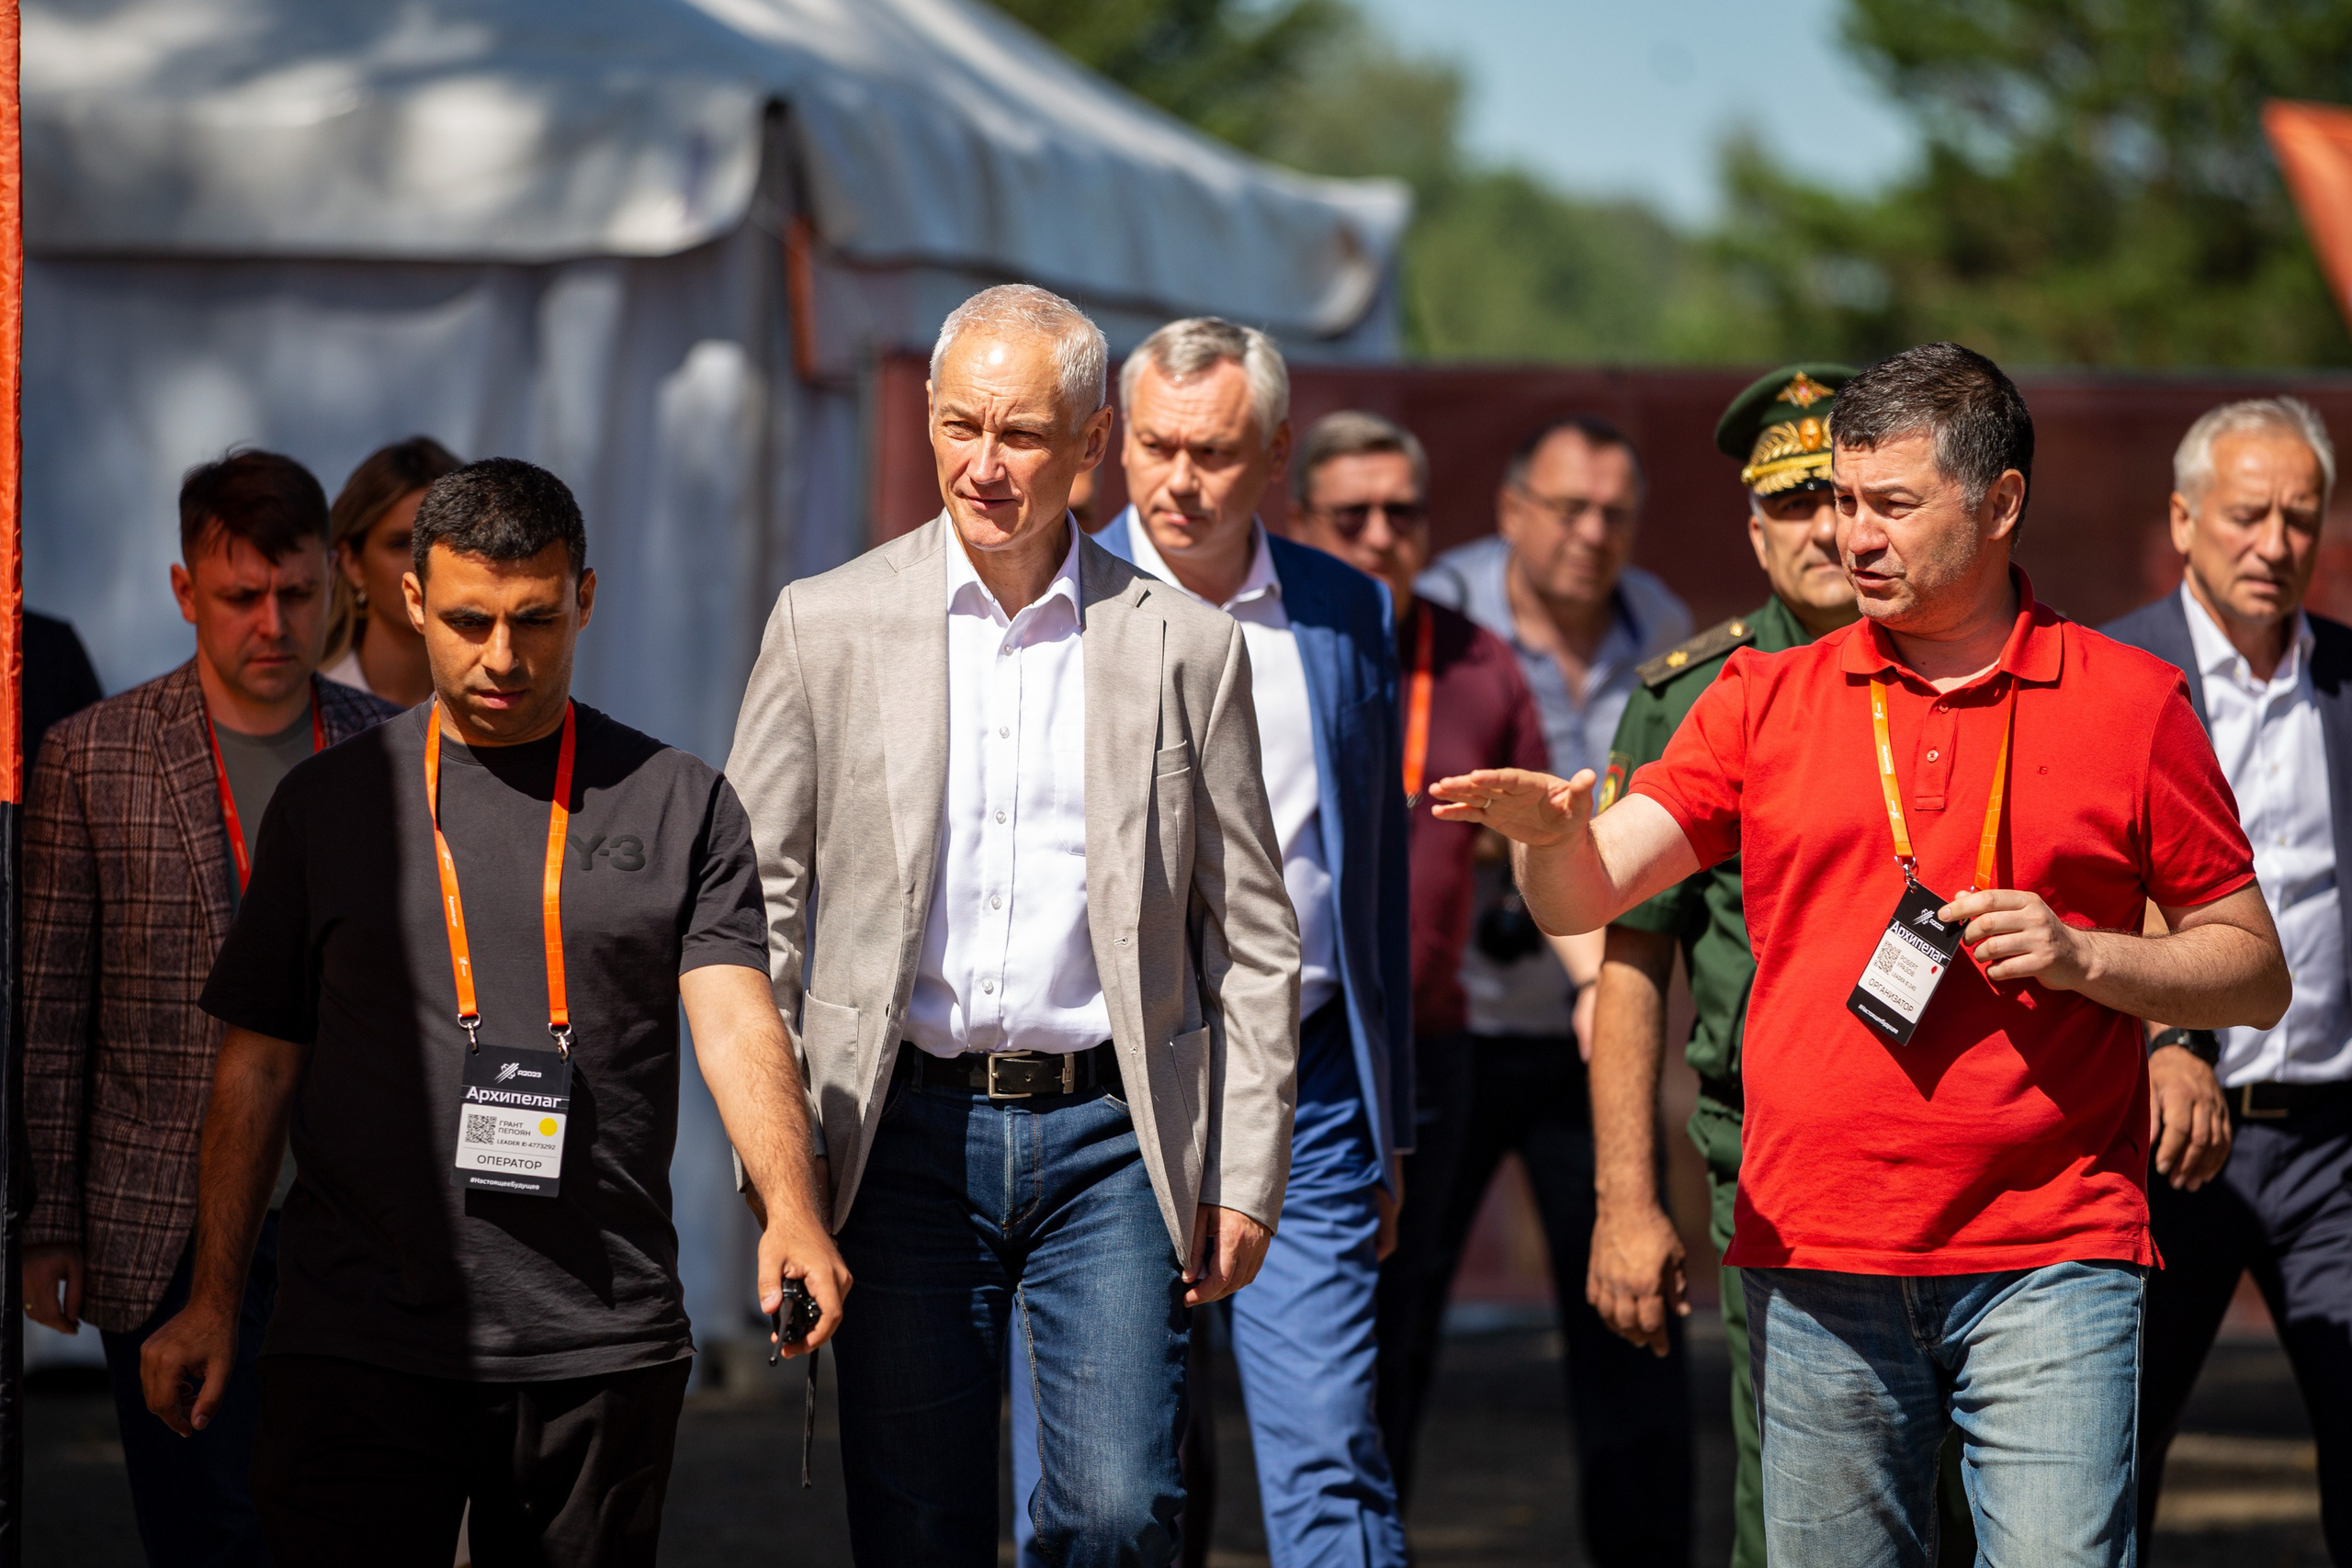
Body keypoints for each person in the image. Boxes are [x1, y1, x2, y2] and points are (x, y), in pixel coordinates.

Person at [1434, 341, 2292, 1567]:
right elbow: (1597, 888)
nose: (1852, 536)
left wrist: (2089, 956)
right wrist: (1547, 839)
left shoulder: (2133, 698)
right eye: (1839, 501)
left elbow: (2253, 965)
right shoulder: (1759, 692)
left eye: (1890, 503)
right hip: (1814, 1256)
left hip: (2051, 1259)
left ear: (2000, 503)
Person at [139, 457, 846, 1567]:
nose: (504, 659)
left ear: (587, 598)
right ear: (410, 600)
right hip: (359, 1339)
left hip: (597, 1342)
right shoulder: (331, 805)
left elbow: (735, 1021)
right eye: (470, 622)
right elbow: (257, 1066)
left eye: (537, 620)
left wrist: (790, 1212)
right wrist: (212, 1300)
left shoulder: (679, 800)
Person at [724, 284, 1301, 1568]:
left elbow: (1255, 934)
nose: (984, 465)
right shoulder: (827, 625)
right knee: (919, 1520)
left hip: (1113, 1139)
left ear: (1094, 444)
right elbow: (749, 912)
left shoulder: (1186, 648)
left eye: (1023, 434)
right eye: (958, 425)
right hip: (897, 1135)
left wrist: (1244, 1169)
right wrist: (781, 1169)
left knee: (1116, 1512)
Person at [21, 449, 398, 1566]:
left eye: (293, 594)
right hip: (162, 1211)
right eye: (241, 597)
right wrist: (49, 1218)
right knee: (205, 1527)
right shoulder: (95, 757)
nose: (271, 623)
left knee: (336, 1518)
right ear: (187, 592)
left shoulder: (391, 752)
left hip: (346, 1215)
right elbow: (51, 1004)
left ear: (332, 584)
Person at [1075, 321, 1412, 1567]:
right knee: (1108, 1470)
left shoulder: (1343, 610)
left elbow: (1370, 871)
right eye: (1155, 446)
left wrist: (1393, 1121)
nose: (1179, 480)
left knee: (1329, 1443)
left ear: (1274, 452)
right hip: (1102, 1086)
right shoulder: (1053, 597)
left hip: (1306, 1080)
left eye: (1213, 451)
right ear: (1114, 443)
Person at [1585, 364, 1863, 1567]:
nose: (1822, 528)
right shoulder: (1691, 698)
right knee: (1797, 1503)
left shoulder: (1974, 672)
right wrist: (1627, 1199)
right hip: (1772, 1169)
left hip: (1974, 1164)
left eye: (1843, 497)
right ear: (1755, 528)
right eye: (1791, 504)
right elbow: (1633, 961)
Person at [1413, 413, 1697, 1562]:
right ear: (1512, 510)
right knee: (1392, 1319)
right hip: (1455, 1021)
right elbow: (1430, 806)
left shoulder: (1665, 627)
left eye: (1614, 514)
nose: (1591, 535)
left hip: (1596, 1025)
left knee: (1631, 1314)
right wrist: (1535, 844)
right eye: (1568, 509)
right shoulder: (1440, 609)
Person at [2101, 396, 2352, 1562]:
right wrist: (2165, 1039)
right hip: (2151, 1144)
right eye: (2247, 515)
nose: (2274, 543)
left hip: (2332, 1147)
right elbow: (2077, 900)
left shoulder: (2347, 683)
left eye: (2299, 518)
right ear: (2182, 519)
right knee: (2106, 1461)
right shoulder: (2102, 676)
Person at [1285, 410, 1550, 1504]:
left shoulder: (1479, 661)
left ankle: (1360, 1525)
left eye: (1403, 513)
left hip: (1420, 1051)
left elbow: (1542, 845)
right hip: (1256, 1045)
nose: (1382, 535)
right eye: (1352, 516)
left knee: (1391, 1339)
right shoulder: (1251, 638)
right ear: (1299, 521)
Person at [320, 435, 462, 706]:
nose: (422, 562)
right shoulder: (311, 712)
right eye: (399, 544)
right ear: (352, 563)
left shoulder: (502, 707)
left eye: (443, 541)